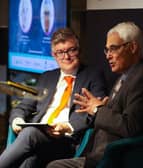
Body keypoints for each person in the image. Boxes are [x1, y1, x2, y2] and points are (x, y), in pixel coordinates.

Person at [46, 21, 143, 168]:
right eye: (106, 50)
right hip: (98, 153)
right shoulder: (126, 75)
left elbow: (130, 127)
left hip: (115, 158)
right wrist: (104, 106)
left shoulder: (141, 78)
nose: (108, 56)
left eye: (113, 49)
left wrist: (97, 110)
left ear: (132, 47)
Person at [0, 28, 107, 168]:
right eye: (60, 52)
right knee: (31, 158)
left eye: (71, 50)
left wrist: (67, 127)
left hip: (66, 140)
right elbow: (23, 106)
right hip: (38, 137)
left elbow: (95, 112)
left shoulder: (93, 75)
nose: (66, 56)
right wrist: (18, 120)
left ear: (79, 50)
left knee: (30, 134)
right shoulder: (47, 77)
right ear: (53, 55)